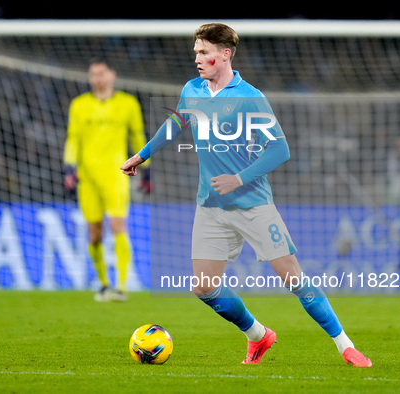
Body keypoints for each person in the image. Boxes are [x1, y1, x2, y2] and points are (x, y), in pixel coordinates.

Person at [121, 23, 371, 366]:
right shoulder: (192, 89)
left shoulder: (250, 97)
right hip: (210, 206)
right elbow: (176, 123)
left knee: (294, 279)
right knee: (204, 288)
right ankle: (257, 335)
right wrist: (142, 154)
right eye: (195, 51)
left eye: (204, 52)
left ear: (224, 55)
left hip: (253, 204)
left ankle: (346, 346)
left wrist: (239, 178)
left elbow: (279, 150)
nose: (197, 58)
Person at [64, 58, 149, 302]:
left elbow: (137, 135)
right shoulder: (79, 105)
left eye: (101, 73)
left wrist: (147, 168)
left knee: (118, 225)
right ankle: (103, 283)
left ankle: (121, 287)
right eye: (93, 74)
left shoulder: (127, 104)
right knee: (94, 232)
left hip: (116, 173)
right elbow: (73, 139)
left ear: (111, 74)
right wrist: (69, 167)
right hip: (87, 177)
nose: (97, 79)